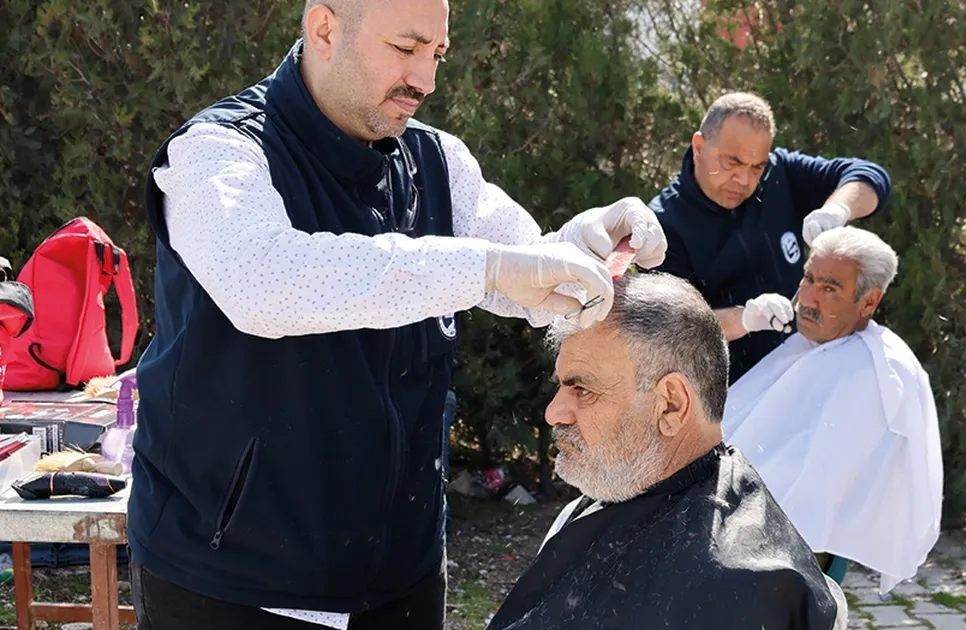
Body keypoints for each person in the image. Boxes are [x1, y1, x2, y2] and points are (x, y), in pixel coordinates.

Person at [126, 0, 668, 628]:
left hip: (399, 575)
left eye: (435, 54)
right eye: (406, 48)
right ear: (325, 29)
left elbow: (522, 268)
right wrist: (488, 268)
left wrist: (587, 242)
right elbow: (265, 283)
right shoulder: (215, 154)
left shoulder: (441, 162)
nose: (427, 80)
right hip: (230, 582)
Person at [487, 272, 847, 630]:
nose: (553, 413)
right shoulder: (592, 505)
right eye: (561, 387)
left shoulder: (739, 589)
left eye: (582, 389)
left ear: (670, 405)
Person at [721, 226, 944, 594]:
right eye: (808, 278)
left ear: (869, 302)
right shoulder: (812, 344)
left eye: (829, 289)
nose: (806, 298)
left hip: (789, 559)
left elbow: (816, 491)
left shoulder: (873, 373)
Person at [650, 92, 892, 384]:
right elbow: (669, 328)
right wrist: (746, 318)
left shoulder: (779, 175)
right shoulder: (663, 227)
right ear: (699, 147)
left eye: (756, 167)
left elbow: (870, 176)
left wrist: (837, 209)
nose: (744, 180)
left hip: (805, 369)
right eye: (732, 163)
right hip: (730, 398)